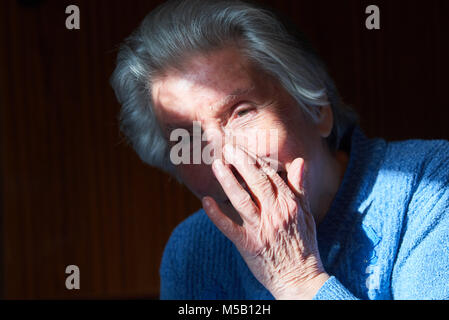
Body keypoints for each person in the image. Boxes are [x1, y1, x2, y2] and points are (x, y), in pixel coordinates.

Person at [110, 0, 449, 299]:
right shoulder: (194, 252)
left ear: (316, 108)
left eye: (241, 112)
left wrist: (296, 278)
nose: (224, 161)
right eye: (189, 137)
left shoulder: (430, 186)